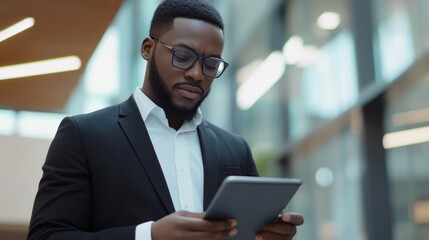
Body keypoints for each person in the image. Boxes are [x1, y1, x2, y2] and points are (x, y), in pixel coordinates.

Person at [27, 0, 304, 239]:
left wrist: (268, 236)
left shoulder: (235, 149)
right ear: (147, 49)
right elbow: (47, 236)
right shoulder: (83, 135)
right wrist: (148, 236)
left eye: (211, 64)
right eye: (183, 56)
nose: (197, 73)